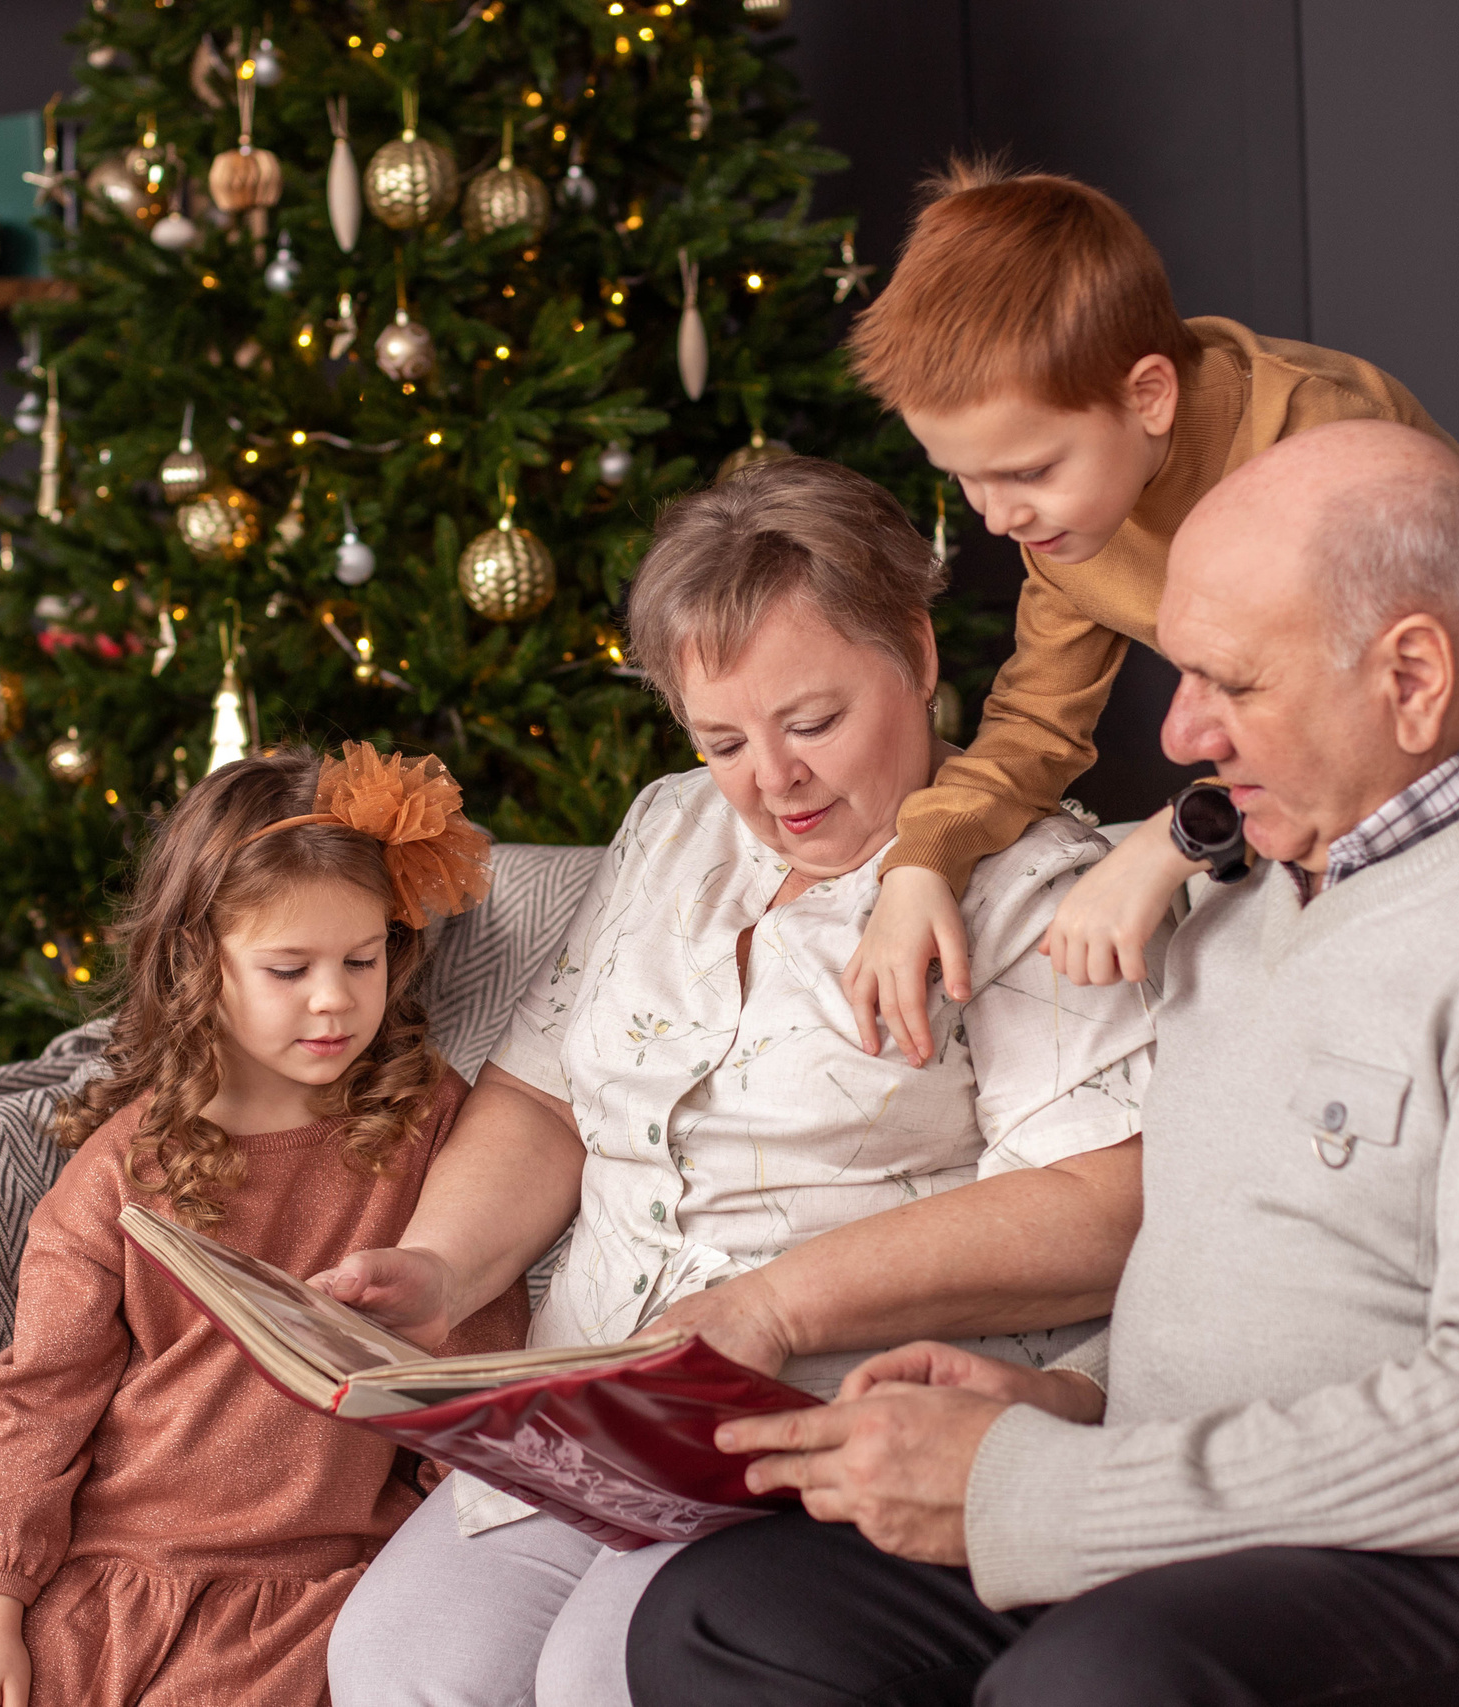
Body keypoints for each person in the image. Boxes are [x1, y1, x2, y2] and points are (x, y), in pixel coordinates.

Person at [627, 420, 1459, 1707]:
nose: (1182, 731)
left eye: (1231, 683)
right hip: (1205, 1505)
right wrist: (1066, 1402)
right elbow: (1242, 1280)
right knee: (724, 1619)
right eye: (1177, 672)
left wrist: (1031, 1487)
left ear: (1411, 674)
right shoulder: (1251, 896)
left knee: (1104, 1683)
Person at [316, 456, 1179, 1707]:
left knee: (596, 1682)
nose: (771, 781)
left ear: (921, 657)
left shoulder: (1033, 884)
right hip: (593, 1416)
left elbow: (1109, 1203)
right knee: (395, 1669)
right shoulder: (672, 826)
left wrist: (775, 1308)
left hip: (819, 1431)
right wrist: (442, 1269)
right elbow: (547, 1096)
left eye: (812, 722)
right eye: (723, 738)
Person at [842, 161, 1459, 1064]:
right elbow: (1033, 726)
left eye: (1026, 471)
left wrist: (1173, 838)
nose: (996, 517)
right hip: (1309, 768)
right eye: (962, 477)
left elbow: (1361, 728)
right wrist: (919, 862)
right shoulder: (1068, 522)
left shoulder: (1320, 442)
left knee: (1447, 1005)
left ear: (1148, 396)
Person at [0, 743, 524, 1707]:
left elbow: (477, 1352)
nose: (335, 998)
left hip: (331, 1597)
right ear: (196, 963)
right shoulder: (122, 1172)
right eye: (289, 968)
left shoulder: (432, 1126)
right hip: (123, 1592)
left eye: (361, 959)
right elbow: (36, 1400)